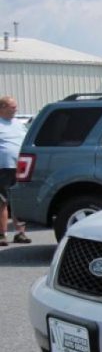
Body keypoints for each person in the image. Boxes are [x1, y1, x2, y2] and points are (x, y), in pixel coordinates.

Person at [0, 96, 32, 246]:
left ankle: (20, 233)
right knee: (2, 201)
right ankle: (2, 234)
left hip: (21, 166)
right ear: (3, 108)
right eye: (12, 107)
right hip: (4, 168)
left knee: (20, 200)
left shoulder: (18, 124)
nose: (16, 109)